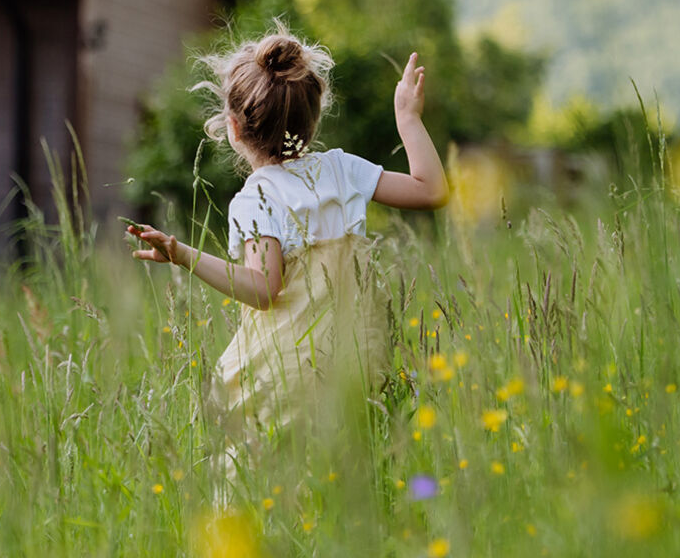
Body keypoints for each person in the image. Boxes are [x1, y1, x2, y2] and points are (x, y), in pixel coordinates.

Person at [127, 28, 448, 449]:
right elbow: (431, 190)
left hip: (286, 377)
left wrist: (183, 254)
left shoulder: (257, 196)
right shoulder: (342, 170)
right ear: (312, 120)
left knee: (257, 473)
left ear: (233, 128)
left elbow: (264, 290)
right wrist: (407, 118)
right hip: (356, 366)